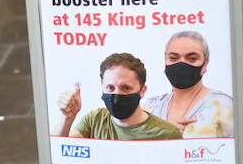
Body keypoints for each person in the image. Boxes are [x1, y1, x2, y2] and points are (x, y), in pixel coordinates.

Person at [52, 53, 183, 140]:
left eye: (126, 88)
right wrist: (67, 118)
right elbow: (59, 152)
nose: (117, 94)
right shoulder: (95, 120)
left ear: (142, 91)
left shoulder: (167, 134)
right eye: (110, 88)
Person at [143, 31, 234, 138]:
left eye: (192, 59)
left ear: (205, 64)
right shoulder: (150, 107)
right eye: (173, 58)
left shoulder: (224, 106)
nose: (182, 63)